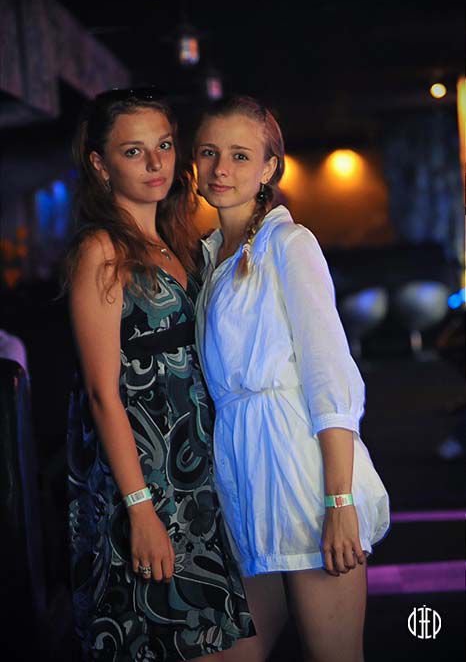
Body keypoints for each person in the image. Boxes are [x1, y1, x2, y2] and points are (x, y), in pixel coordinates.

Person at [193, 96, 390, 662]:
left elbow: (331, 375)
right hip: (243, 479)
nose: (221, 169)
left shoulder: (289, 244)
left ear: (268, 168)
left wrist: (339, 501)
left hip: (301, 477)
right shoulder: (211, 256)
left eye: (239, 155)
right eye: (208, 153)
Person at [64, 88, 255, 661]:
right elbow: (101, 394)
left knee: (218, 640)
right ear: (100, 164)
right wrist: (140, 508)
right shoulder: (101, 250)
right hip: (146, 483)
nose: (155, 163)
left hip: (196, 477)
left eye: (165, 146)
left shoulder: (177, 243)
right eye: (133, 151)